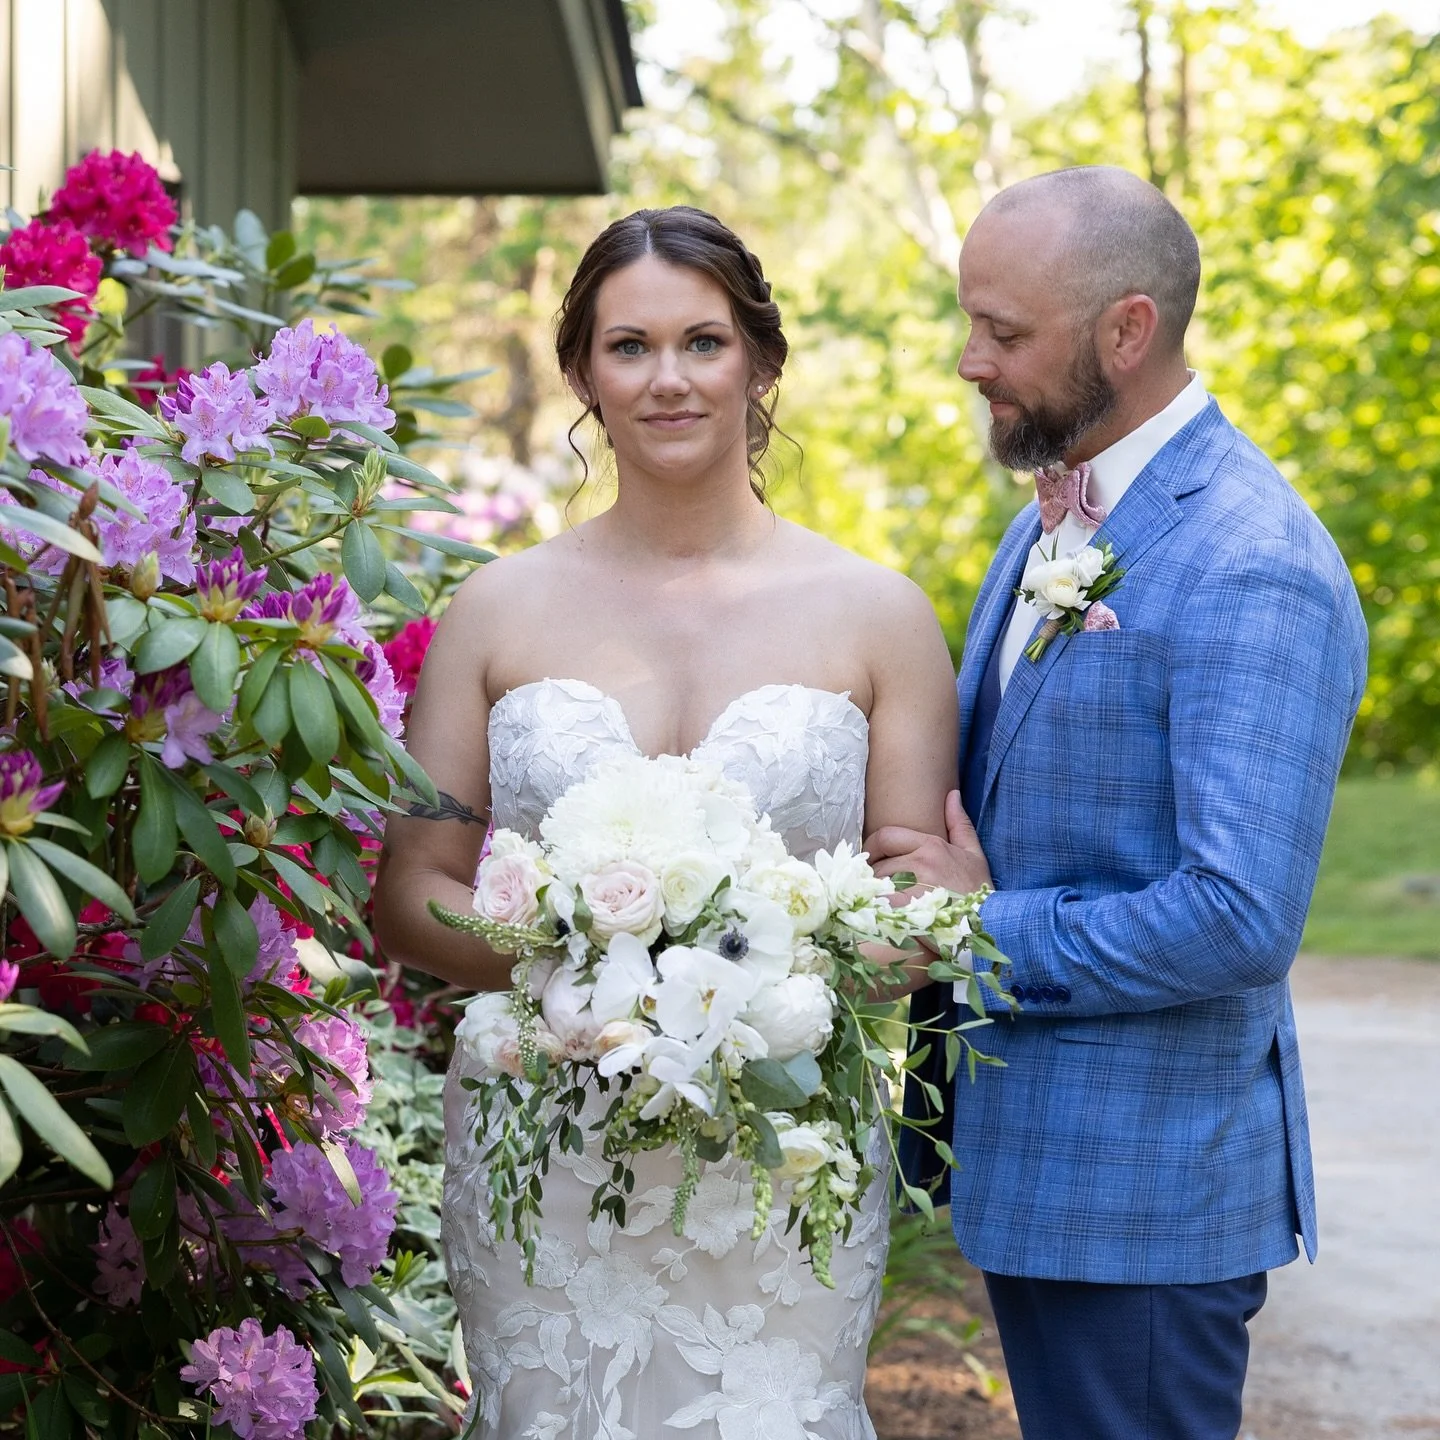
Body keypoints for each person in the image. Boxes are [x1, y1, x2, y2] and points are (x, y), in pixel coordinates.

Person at [373, 205, 959, 1438]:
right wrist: (587, 961)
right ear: (583, 370)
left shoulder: (877, 615)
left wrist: (931, 917)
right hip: (550, 1138)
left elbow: (916, 908)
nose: (668, 378)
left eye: (703, 341)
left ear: (760, 359)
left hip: (783, 1159)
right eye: (628, 347)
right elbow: (414, 889)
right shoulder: (496, 611)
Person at [867, 165, 1368, 1440]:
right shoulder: (1058, 511)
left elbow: (1238, 914)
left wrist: (978, 932)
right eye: (971, 321)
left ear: (1127, 330)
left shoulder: (1253, 561)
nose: (969, 361)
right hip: (1043, 1167)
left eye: (1006, 332)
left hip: (1145, 1196)